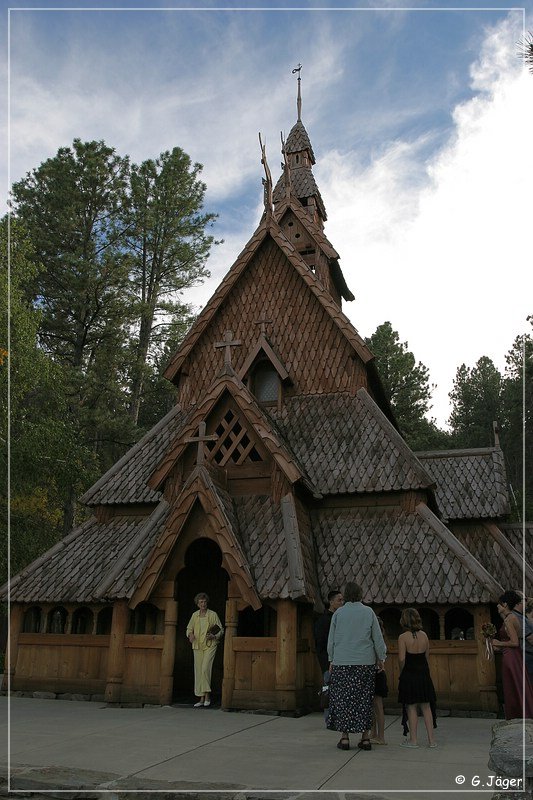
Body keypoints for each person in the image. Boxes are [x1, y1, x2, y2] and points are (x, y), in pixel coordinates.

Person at [326, 581, 386, 751]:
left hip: (342, 662)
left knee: (343, 700)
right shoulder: (368, 612)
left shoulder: (338, 614)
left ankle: (344, 737)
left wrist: (332, 659)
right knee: (364, 700)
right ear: (360, 594)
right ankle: (365, 737)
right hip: (364, 662)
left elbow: (332, 640)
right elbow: (377, 638)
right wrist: (381, 657)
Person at [397, 608, 437, 748]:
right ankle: (432, 740)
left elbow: (402, 659)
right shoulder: (425, 636)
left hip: (409, 673)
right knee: (426, 707)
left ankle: (413, 740)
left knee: (412, 707)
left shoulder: (403, 637)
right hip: (423, 673)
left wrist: (402, 673)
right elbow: (427, 657)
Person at [492, 590, 533, 719]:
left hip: (511, 656)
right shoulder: (511, 618)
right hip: (511, 654)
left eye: (499, 604)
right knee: (517, 683)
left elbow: (514, 642)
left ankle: (518, 713)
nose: (497, 607)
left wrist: (498, 642)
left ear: (504, 604)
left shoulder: (510, 619)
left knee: (513, 684)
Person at [186, 592, 224, 708]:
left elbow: (221, 630)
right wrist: (190, 635)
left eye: (205, 602)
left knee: (205, 669)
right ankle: (201, 698)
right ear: (197, 604)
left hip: (210, 645)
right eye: (201, 602)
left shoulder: (213, 614)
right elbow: (188, 629)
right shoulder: (194, 615)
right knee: (198, 671)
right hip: (197, 646)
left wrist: (214, 636)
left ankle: (207, 695)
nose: (203, 604)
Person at [314, 589, 343, 676]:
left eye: (343, 600)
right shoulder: (323, 620)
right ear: (331, 602)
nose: (342, 603)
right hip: (328, 660)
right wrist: (325, 666)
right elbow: (320, 644)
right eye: (339, 600)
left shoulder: (342, 618)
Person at [370, 616, 388, 745]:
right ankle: (373, 733)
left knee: (377, 706)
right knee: (372, 706)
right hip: (375, 672)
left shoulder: (378, 641)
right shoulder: (379, 640)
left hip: (377, 672)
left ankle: (380, 735)